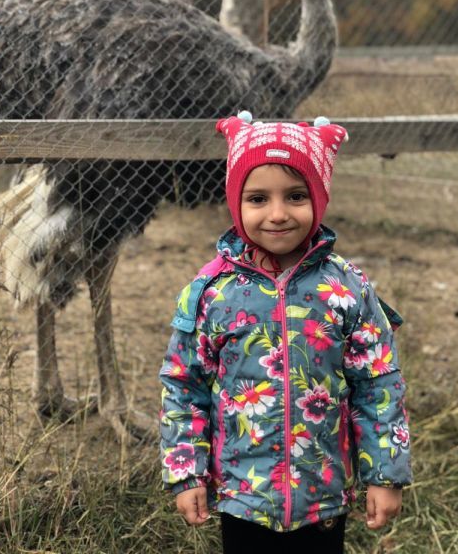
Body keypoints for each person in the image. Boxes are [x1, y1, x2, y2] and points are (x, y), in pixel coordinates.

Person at [159, 111, 412, 553]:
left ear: (319, 198)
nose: (277, 214)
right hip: (243, 497)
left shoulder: (346, 289)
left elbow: (378, 383)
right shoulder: (212, 293)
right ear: (235, 202)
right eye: (258, 198)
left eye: (296, 196)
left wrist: (385, 475)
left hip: (323, 496)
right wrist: (187, 473)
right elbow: (184, 384)